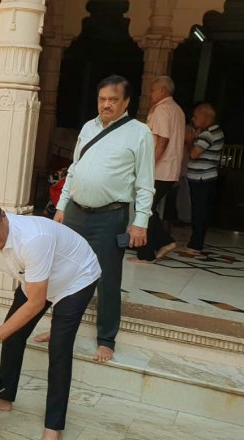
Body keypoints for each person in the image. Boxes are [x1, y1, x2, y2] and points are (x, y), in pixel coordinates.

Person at [0, 197, 100, 440]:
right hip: (36, 280)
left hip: (76, 277)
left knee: (59, 348)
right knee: (12, 335)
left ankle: (53, 427)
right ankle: (4, 397)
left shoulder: (33, 238)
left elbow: (36, 303)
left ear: (3, 216)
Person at [50, 75, 154, 363]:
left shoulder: (139, 132)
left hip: (110, 217)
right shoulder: (88, 127)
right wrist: (61, 206)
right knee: (64, 273)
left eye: (113, 100)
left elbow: (145, 182)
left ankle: (106, 339)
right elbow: (74, 169)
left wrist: (141, 221)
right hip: (75, 213)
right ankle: (60, 327)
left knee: (107, 279)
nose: (106, 105)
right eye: (102, 99)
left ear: (126, 102)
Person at [128, 76, 183, 263]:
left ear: (162, 90)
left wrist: (147, 167)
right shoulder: (177, 110)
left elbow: (162, 141)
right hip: (170, 170)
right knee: (148, 207)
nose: (150, 94)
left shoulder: (162, 110)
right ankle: (157, 245)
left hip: (159, 169)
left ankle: (150, 251)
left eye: (153, 90)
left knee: (144, 207)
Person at [182, 103, 224, 255]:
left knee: (199, 211)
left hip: (202, 178)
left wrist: (189, 140)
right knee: (200, 210)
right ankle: (196, 242)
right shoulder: (213, 131)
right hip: (204, 178)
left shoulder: (208, 134)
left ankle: (195, 245)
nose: (193, 119)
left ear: (207, 118)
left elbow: (194, 154)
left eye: (196, 116)